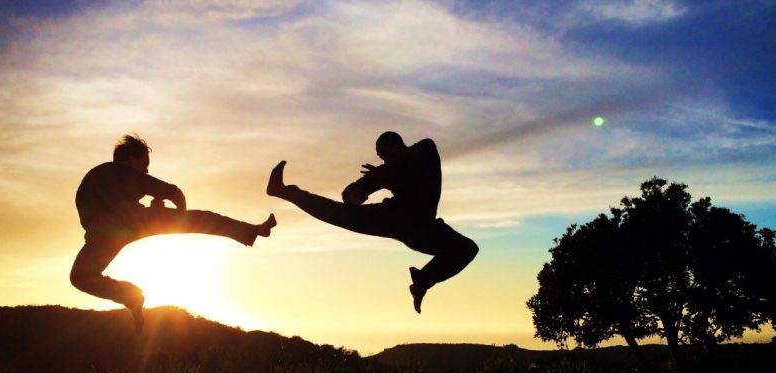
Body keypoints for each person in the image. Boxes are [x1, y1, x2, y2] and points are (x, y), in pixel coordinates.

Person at [70, 134, 276, 330]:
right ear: (131, 159)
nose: (146, 171)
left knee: (80, 277)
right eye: (145, 164)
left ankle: (129, 295)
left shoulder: (104, 174)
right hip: (128, 222)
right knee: (202, 218)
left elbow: (108, 199)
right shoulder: (124, 173)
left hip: (101, 237)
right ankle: (254, 230)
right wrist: (180, 218)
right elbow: (175, 193)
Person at [267, 131, 477, 313]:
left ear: (398, 144)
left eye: (386, 154)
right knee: (338, 214)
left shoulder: (424, 149)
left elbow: (420, 179)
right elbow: (349, 193)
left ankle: (422, 281)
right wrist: (355, 196)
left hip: (423, 226)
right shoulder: (385, 171)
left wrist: (388, 177)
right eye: (381, 156)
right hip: (395, 219)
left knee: (466, 249)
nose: (384, 159)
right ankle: (283, 191)